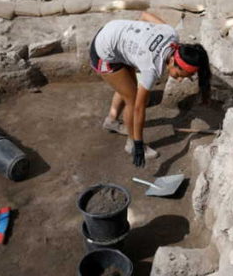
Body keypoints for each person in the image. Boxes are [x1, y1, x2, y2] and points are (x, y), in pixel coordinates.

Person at [90, 12, 211, 168]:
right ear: (173, 60)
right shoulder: (151, 68)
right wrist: (139, 143)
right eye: (180, 74)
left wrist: (137, 43)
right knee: (133, 100)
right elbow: (138, 109)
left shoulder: (171, 35)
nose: (179, 79)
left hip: (113, 31)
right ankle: (131, 144)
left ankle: (111, 121)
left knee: (128, 89)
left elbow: (145, 15)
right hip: (103, 52)